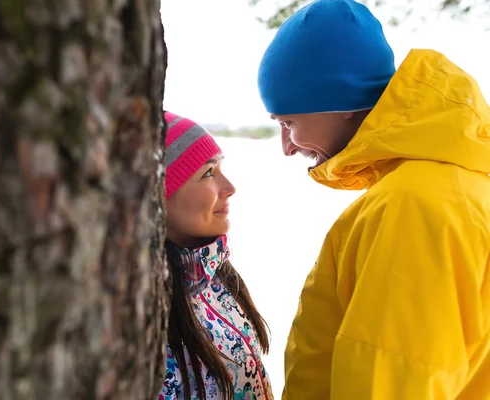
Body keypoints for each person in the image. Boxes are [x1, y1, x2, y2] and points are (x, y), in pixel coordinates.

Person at [257, 0, 490, 399]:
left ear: (342, 103)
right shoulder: (446, 182)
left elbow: (395, 377)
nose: (286, 146)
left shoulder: (413, 206)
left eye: (289, 122)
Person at [159, 111, 273, 400]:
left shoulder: (216, 274)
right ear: (158, 195)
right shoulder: (144, 307)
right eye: (208, 173)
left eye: (220, 168)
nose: (230, 188)